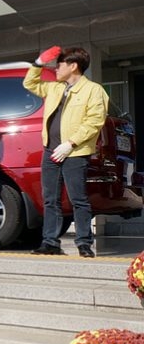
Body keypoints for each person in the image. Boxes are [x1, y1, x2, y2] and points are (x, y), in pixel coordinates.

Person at [24, 46, 108, 258]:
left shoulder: (93, 90)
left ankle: (84, 243)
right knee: (50, 199)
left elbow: (95, 120)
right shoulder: (55, 88)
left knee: (78, 198)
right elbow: (29, 83)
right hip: (50, 150)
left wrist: (71, 143)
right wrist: (38, 63)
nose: (55, 68)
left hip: (75, 151)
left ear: (73, 66)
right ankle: (50, 242)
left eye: (59, 64)